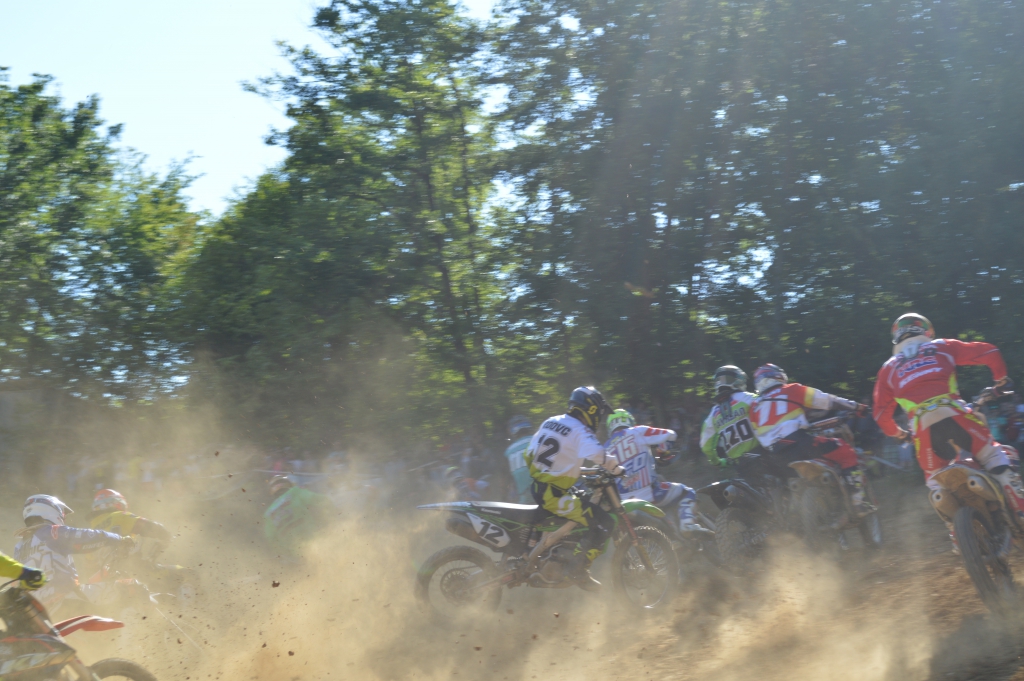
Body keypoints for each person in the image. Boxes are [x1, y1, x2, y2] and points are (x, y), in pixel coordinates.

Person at [873, 313, 1024, 541]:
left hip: (922, 429)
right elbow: (990, 352)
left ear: (896, 336)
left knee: (936, 481)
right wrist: (1000, 380)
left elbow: (880, 415)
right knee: (993, 455)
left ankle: (955, 533)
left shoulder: (888, 369)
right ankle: (1020, 510)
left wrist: (900, 434)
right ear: (926, 330)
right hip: (954, 413)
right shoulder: (941, 346)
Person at [525, 386, 619, 592]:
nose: (600, 418)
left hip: (538, 487)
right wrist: (616, 468)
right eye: (600, 413)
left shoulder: (551, 421)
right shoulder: (580, 430)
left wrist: (572, 471)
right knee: (604, 522)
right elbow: (597, 453)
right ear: (592, 410)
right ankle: (578, 571)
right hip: (554, 495)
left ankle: (557, 554)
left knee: (581, 502)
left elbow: (531, 453)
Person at [751, 364, 873, 515]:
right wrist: (857, 407)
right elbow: (827, 400)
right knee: (846, 451)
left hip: (775, 455)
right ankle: (857, 503)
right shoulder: (791, 389)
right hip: (800, 444)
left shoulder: (754, 407)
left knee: (783, 485)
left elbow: (759, 432)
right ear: (778, 376)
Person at [14, 495, 136, 614]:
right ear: (50, 510)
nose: (63, 518)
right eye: (62, 514)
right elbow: (86, 536)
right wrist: (119, 539)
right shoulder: (50, 532)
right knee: (133, 586)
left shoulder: (19, 548)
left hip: (40, 610)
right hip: (67, 598)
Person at [605, 409, 710, 534]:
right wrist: (662, 452)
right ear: (629, 421)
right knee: (687, 492)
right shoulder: (637, 431)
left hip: (625, 503)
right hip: (651, 494)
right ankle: (687, 524)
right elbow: (670, 434)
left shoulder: (604, 449)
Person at [77, 489, 176, 583]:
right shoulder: (119, 516)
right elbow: (152, 528)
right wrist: (166, 536)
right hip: (134, 576)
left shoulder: (90, 534)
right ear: (117, 503)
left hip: (106, 586)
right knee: (181, 573)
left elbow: (90, 569)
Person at [699, 366, 761, 467]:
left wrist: (717, 462)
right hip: (761, 454)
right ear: (738, 380)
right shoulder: (748, 397)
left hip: (740, 465)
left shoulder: (712, 415)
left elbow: (706, 447)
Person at [264, 475, 333, 560]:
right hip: (311, 538)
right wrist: (334, 510)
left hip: (292, 552)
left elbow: (271, 538)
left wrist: (282, 554)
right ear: (287, 484)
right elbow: (317, 499)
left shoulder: (268, 513)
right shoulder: (295, 492)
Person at [504, 415, 534, 504]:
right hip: (547, 496)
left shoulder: (509, 451)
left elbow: (509, 478)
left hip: (525, 500)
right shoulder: (539, 440)